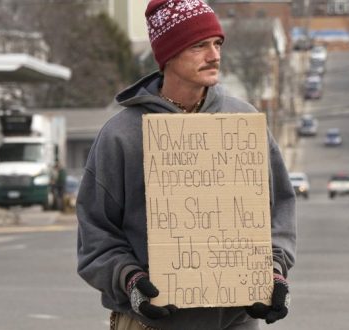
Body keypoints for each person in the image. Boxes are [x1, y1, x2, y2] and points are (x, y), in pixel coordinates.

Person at [76, 1, 297, 329]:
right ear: (168, 54)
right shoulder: (121, 136)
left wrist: (275, 272)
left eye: (217, 44)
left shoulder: (245, 122)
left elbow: (278, 211)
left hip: (236, 321)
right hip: (152, 322)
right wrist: (131, 281)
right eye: (199, 45)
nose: (214, 55)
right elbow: (96, 235)